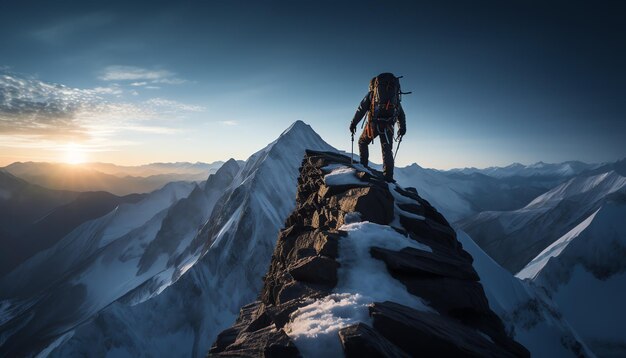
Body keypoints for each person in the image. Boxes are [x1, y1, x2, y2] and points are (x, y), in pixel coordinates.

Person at [349, 73, 406, 182]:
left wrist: (353, 123)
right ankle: (388, 177)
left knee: (362, 142)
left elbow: (361, 109)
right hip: (388, 126)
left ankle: (363, 166)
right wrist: (402, 128)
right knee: (387, 150)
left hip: (373, 125)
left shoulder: (372, 94)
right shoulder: (394, 98)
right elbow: (401, 114)